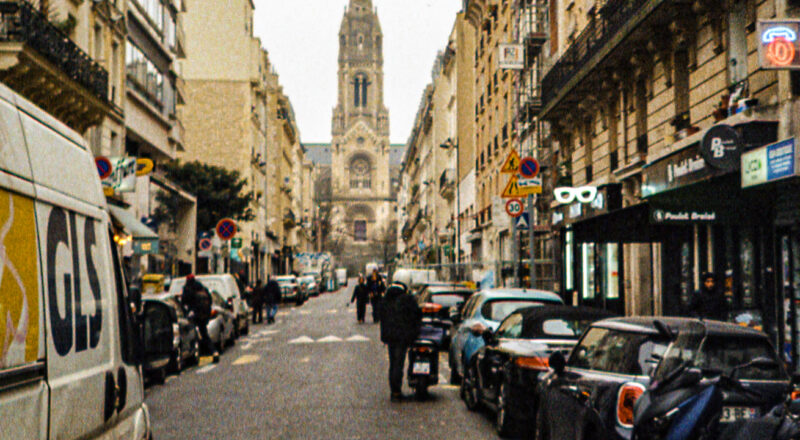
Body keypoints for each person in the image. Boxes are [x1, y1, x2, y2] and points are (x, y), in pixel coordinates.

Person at [379, 281, 422, 401]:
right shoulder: (407, 299)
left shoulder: (386, 300)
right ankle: (397, 392)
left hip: (390, 336)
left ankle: (394, 391)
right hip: (402, 336)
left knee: (393, 364)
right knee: (399, 363)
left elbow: (380, 316)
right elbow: (416, 314)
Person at [181, 274, 218, 361]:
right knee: (204, 333)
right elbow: (210, 300)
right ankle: (213, 351)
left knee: (191, 332)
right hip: (205, 314)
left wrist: (187, 311)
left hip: (195, 313)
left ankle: (196, 352)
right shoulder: (202, 288)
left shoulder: (188, 289)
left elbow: (184, 302)